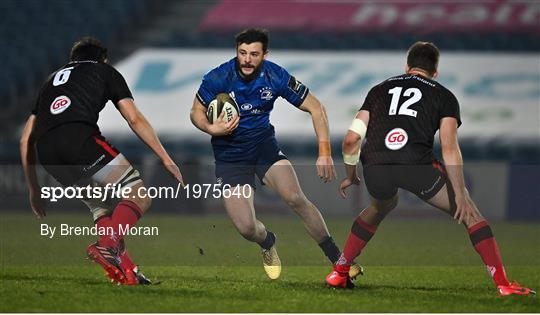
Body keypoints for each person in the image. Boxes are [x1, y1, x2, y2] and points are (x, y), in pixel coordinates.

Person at [325, 42, 535, 296]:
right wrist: (461, 193)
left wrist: (350, 175)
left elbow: (350, 140)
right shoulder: (444, 96)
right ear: (435, 71)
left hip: (376, 165)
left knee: (380, 207)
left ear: (406, 66)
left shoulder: (378, 90)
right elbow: (449, 148)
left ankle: (340, 272)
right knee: (472, 216)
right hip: (416, 165)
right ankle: (503, 285)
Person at [190, 28, 362, 280]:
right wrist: (210, 127)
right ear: (237, 51)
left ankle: (339, 261)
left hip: (263, 147)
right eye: (242, 53)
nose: (247, 59)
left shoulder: (275, 76)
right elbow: (195, 111)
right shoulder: (218, 77)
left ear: (265, 55)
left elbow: (316, 108)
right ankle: (267, 241)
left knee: (295, 197)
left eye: (254, 54)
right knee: (247, 228)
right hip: (230, 156)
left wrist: (324, 152)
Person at [20, 37, 184, 285]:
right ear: (103, 58)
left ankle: (128, 273)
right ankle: (105, 246)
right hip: (79, 139)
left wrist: (34, 189)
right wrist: (165, 157)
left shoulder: (50, 81)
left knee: (103, 207)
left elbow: (25, 140)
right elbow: (134, 119)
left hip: (48, 153)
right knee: (139, 195)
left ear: (72, 59)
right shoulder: (105, 71)